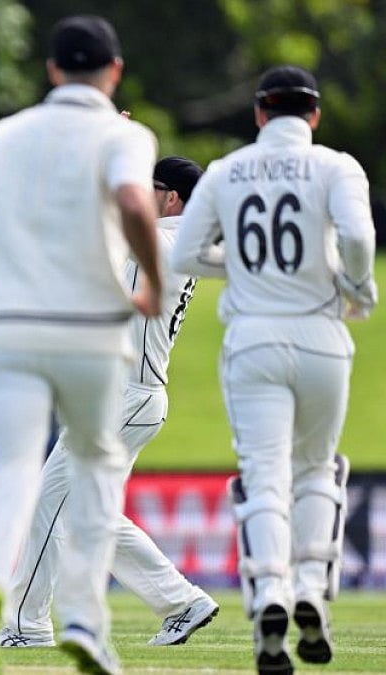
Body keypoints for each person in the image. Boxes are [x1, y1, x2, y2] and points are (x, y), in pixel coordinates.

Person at [0, 15, 162, 675]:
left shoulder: (1, 135)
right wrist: (150, 280)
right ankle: (87, 621)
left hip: (7, 326)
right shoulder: (125, 135)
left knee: (11, 470)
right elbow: (135, 202)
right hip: (91, 330)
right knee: (94, 467)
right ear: (114, 71)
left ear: (52, 69)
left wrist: (19, 243)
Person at [171, 65, 375, 675]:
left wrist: (244, 267)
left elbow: (185, 253)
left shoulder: (227, 170)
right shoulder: (337, 166)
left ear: (260, 112)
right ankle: (310, 587)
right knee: (316, 468)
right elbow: (358, 237)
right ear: (314, 115)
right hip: (321, 334)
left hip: (254, 336)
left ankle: (269, 595)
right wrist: (354, 284)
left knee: (263, 476)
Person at [0, 157, 219, 651]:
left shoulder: (164, 240)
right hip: (130, 396)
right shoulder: (173, 242)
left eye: (149, 185)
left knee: (51, 500)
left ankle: (26, 625)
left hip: (128, 397)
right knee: (87, 512)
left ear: (172, 198)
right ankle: (181, 602)